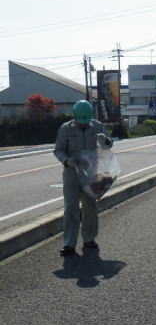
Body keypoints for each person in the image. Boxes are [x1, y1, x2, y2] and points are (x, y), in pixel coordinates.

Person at [54, 100, 113, 256]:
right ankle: (69, 244)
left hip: (91, 173)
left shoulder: (97, 126)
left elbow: (109, 143)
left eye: (86, 121)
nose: (84, 125)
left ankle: (89, 239)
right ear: (75, 116)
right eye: (81, 121)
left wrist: (105, 140)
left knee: (90, 207)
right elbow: (58, 150)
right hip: (71, 172)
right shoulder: (65, 129)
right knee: (70, 209)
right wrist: (67, 160)